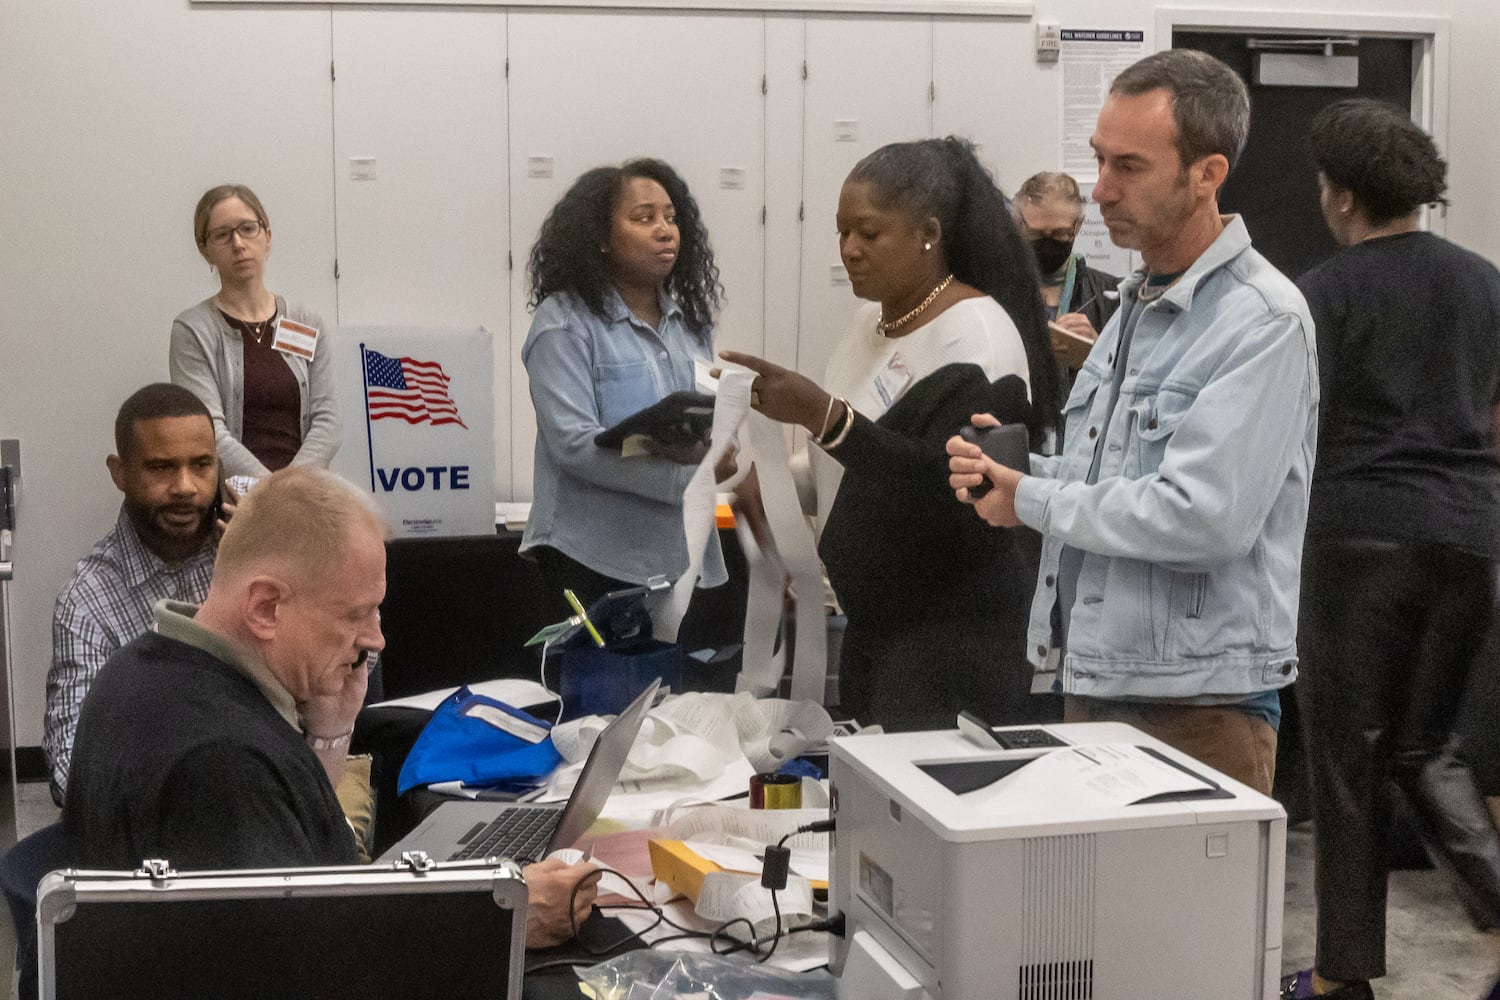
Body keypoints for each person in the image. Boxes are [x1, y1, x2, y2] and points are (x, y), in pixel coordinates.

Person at [947, 49, 1317, 797]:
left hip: (1197, 709)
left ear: (1207, 174)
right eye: (1098, 161)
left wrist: (1031, 498)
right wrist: (1020, 469)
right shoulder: (1136, 307)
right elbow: (1117, 480)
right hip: (1096, 681)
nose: (1102, 190)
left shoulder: (1262, 322)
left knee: (1181, 920)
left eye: (1130, 167)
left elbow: (1201, 519)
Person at [62, 466, 598, 949]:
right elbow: (307, 964)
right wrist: (499, 922)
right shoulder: (222, 763)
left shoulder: (146, 664)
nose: (375, 639)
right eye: (355, 614)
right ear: (266, 606)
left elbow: (310, 870)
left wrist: (331, 729)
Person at [721, 137, 1062, 731]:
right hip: (879, 630)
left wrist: (824, 416)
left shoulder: (977, 337)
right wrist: (762, 482)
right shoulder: (868, 326)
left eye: (869, 234)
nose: (850, 250)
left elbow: (961, 494)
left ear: (928, 233)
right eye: (842, 233)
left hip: (951, 640)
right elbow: (846, 469)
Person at [1283, 98, 1500, 1000]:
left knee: (1348, 759)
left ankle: (1342, 979)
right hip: (1471, 533)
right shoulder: (1486, 280)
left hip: (1358, 537)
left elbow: (1293, 426)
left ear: (1339, 196)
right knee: (1430, 748)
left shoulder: (1323, 293)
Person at [521, 158, 728, 616]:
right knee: (601, 688)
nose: (665, 230)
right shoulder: (563, 324)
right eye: (644, 218)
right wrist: (683, 479)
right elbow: (574, 445)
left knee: (677, 689)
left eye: (671, 218)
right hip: (591, 559)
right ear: (600, 238)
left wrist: (719, 449)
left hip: (678, 556)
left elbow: (698, 423)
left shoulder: (690, 324)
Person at [44, 383, 221, 806]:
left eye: (201, 465)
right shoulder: (87, 599)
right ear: (119, 472)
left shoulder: (251, 555)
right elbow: (70, 769)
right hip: (153, 823)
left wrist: (269, 560)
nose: (185, 486)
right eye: (161, 468)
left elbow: (359, 653)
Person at [170, 184, 340, 479]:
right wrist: (266, 494)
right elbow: (209, 430)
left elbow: (328, 421)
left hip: (305, 494)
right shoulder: (193, 330)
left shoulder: (307, 322)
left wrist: (287, 489)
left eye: (248, 229)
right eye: (222, 235)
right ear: (205, 250)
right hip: (235, 499)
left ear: (267, 237)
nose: (238, 244)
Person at [1011, 171, 1122, 373]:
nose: (1047, 242)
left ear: (1078, 226)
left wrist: (1099, 352)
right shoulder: (997, 291)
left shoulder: (1112, 296)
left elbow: (1130, 379)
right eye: (1035, 234)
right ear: (1018, 224)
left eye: (1060, 233)